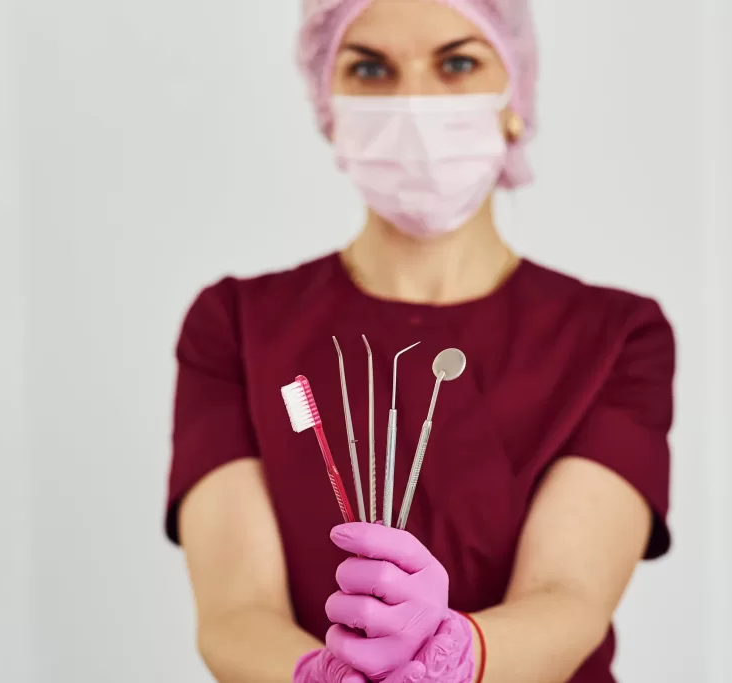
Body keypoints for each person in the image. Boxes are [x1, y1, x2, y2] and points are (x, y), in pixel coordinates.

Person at [165, 1, 675, 682]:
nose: (413, 103)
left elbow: (569, 598)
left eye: (458, 62)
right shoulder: (236, 324)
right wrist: (317, 676)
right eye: (370, 68)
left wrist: (456, 660)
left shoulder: (616, 335)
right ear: (328, 102)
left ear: (514, 92)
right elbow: (235, 612)